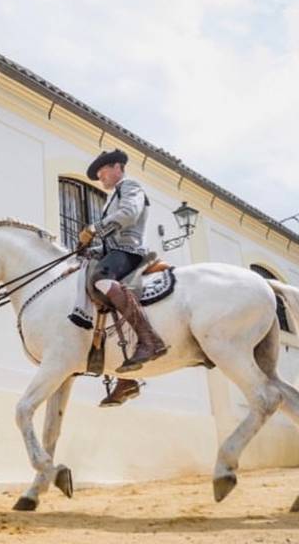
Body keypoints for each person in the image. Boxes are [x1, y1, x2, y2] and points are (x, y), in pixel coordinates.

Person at [78, 149, 168, 407]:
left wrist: (94, 228)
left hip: (131, 252)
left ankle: (149, 339)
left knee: (100, 278)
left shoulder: (130, 187)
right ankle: (120, 375)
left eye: (102, 172)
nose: (100, 178)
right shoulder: (110, 198)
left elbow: (129, 214)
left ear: (117, 167)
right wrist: (87, 249)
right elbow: (107, 244)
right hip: (116, 251)